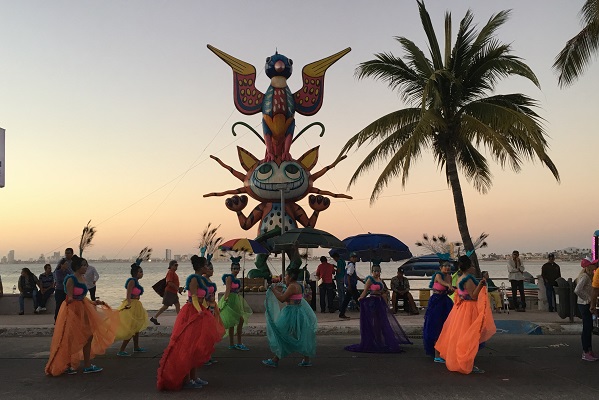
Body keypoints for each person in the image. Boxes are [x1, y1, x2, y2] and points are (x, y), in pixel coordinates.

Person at [157, 255, 223, 390]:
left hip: (200, 312)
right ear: (200, 267)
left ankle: (194, 377)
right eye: (205, 265)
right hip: (191, 312)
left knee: (196, 347)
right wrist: (199, 311)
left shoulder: (202, 280)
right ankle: (187, 380)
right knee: (188, 346)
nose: (207, 267)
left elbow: (203, 297)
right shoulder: (193, 279)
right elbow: (193, 298)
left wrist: (210, 304)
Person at [45, 256, 119, 376]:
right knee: (69, 338)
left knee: (88, 336)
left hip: (84, 307)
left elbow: (82, 296)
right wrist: (71, 299)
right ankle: (67, 364)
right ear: (77, 267)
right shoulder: (71, 279)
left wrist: (93, 302)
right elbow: (69, 297)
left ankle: (87, 365)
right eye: (83, 265)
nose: (86, 267)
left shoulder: (83, 278)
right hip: (72, 310)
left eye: (86, 265)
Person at [435, 255, 496, 374]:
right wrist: (482, 283)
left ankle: (463, 360)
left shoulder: (459, 278)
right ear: (468, 267)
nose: (473, 268)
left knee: (461, 334)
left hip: (461, 308)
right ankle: (466, 361)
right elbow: (473, 296)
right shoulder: (468, 278)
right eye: (472, 265)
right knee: (470, 335)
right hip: (469, 308)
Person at [345, 265, 411, 353]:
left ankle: (380, 340)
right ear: (372, 272)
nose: (377, 273)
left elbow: (385, 290)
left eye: (378, 271)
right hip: (372, 302)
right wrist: (360, 298)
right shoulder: (370, 279)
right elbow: (365, 291)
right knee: (374, 321)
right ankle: (374, 340)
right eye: (375, 271)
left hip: (380, 301)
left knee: (381, 322)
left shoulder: (380, 280)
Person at [262, 268, 318, 367]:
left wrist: (273, 289)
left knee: (282, 333)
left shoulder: (292, 286)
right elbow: (290, 298)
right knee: (300, 334)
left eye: (286, 275)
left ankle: (275, 360)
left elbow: (282, 299)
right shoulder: (299, 285)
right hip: (299, 312)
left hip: (290, 313)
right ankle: (306, 359)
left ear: (291, 277)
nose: (284, 277)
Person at [218, 256, 253, 351]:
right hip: (230, 300)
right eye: (234, 268)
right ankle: (235, 343)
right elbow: (227, 290)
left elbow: (236, 290)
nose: (236, 270)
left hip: (236, 300)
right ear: (231, 269)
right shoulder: (229, 277)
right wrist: (224, 302)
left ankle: (235, 343)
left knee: (236, 321)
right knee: (236, 321)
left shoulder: (237, 279)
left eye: (237, 268)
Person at [423, 261, 455, 361]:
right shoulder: (438, 275)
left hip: (445, 302)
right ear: (441, 267)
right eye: (445, 266)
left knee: (446, 326)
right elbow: (441, 282)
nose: (447, 268)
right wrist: (448, 285)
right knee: (436, 326)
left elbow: (448, 291)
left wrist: (451, 290)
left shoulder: (449, 277)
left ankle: (445, 351)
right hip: (436, 302)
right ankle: (437, 354)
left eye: (449, 266)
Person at [115, 263, 149, 356]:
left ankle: (136, 347)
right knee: (132, 328)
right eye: (140, 272)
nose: (142, 273)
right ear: (135, 273)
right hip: (132, 305)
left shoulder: (136, 281)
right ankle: (121, 350)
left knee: (136, 327)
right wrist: (129, 303)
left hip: (137, 305)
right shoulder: (132, 281)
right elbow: (128, 294)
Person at [575, 257, 599, 361]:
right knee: (587, 327)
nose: (595, 266)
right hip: (584, 305)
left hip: (585, 304)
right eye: (593, 264)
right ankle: (586, 351)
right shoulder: (585, 277)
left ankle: (589, 350)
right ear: (589, 266)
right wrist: (588, 299)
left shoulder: (589, 276)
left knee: (589, 328)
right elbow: (577, 290)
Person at [151, 260, 183, 325]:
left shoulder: (174, 273)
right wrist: (177, 288)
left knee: (177, 305)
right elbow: (169, 283)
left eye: (177, 265)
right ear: (171, 266)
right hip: (169, 292)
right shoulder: (170, 272)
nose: (176, 267)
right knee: (165, 306)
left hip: (173, 292)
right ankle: (154, 317)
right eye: (175, 265)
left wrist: (178, 289)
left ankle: (180, 319)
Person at [338, 252, 362, 319]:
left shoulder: (350, 265)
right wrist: (349, 285)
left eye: (355, 257)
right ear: (350, 258)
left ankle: (342, 313)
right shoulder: (351, 265)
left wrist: (362, 280)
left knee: (347, 299)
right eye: (353, 257)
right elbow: (348, 276)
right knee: (358, 299)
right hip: (351, 286)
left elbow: (353, 275)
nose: (354, 258)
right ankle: (365, 312)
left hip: (351, 285)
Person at [53, 248, 74, 321]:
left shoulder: (73, 262)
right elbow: (58, 277)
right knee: (59, 305)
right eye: (66, 253)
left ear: (72, 254)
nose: (67, 254)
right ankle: (57, 319)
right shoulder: (59, 269)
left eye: (68, 253)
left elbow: (72, 275)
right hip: (60, 288)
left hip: (69, 289)